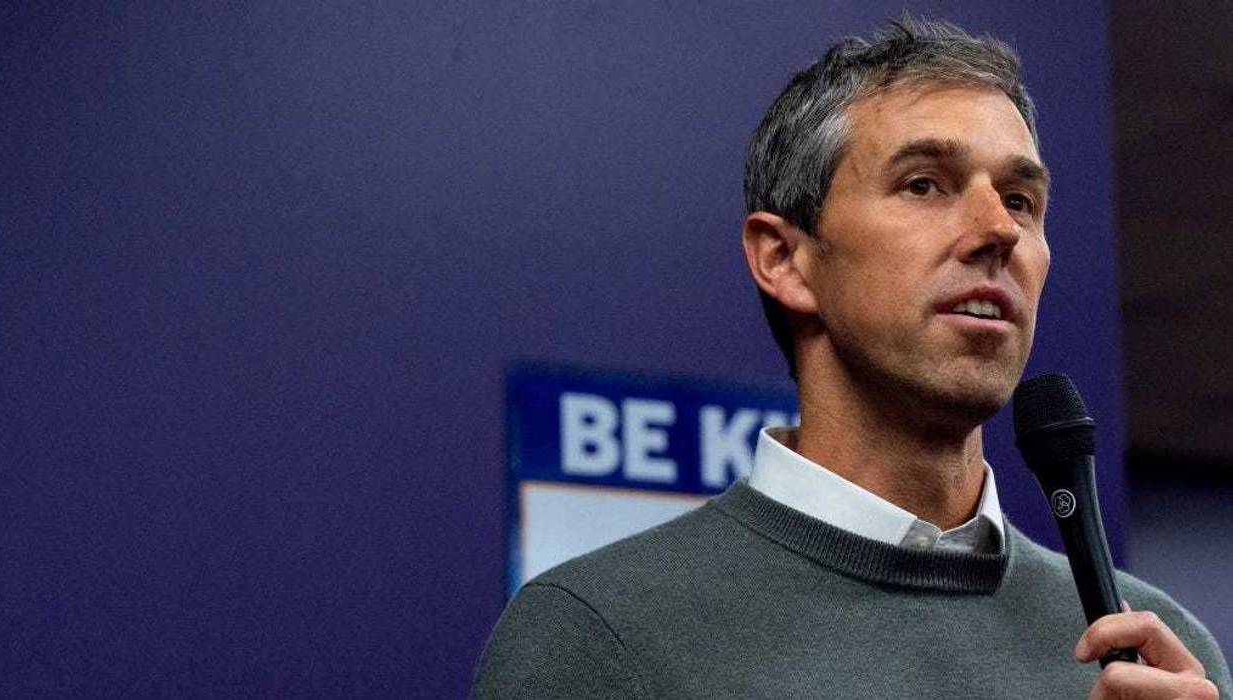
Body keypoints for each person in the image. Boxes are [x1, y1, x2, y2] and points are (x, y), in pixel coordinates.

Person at [473, 18, 1232, 699]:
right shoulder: (600, 636)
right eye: (924, 184)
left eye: (1021, 200)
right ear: (785, 260)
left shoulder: (1156, 653)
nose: (995, 229)